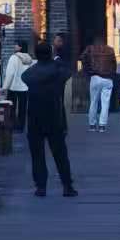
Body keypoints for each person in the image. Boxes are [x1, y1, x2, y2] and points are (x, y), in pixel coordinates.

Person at [22, 41, 78, 198]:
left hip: (34, 117)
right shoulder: (58, 71)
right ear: (51, 54)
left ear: (36, 55)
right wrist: (56, 61)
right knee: (60, 154)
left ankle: (41, 186)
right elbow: (68, 72)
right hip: (54, 115)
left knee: (37, 155)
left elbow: (24, 77)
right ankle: (67, 186)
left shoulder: (30, 74)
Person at [82, 37, 118, 131]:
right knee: (105, 103)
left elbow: (83, 58)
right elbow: (114, 64)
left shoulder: (90, 48)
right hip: (107, 78)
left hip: (95, 77)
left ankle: (92, 125)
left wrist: (87, 71)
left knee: (93, 102)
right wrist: (112, 74)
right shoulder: (110, 50)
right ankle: (102, 125)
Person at [1, 40, 35, 131]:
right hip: (24, 87)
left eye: (16, 45)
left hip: (13, 87)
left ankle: (12, 124)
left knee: (11, 107)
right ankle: (21, 126)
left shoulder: (13, 58)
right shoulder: (29, 58)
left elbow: (10, 74)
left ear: (20, 47)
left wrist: (5, 87)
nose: (14, 46)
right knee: (22, 108)